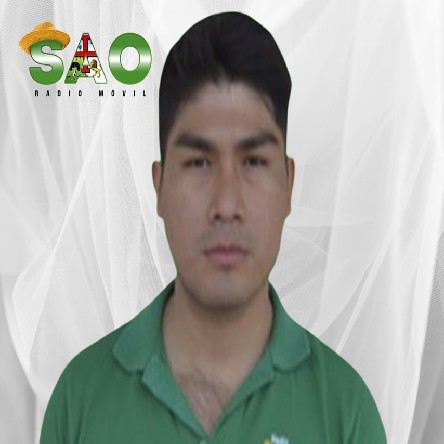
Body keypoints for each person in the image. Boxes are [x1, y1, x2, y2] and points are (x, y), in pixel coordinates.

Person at [40, 11, 387, 444]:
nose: (226, 205)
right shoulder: (80, 401)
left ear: (288, 184)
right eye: (199, 163)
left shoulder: (346, 412)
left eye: (254, 161)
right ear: (159, 187)